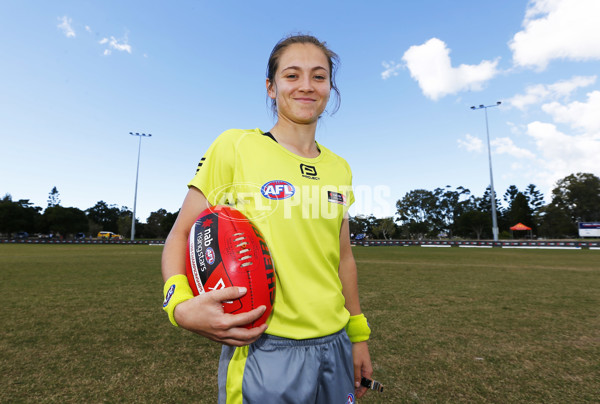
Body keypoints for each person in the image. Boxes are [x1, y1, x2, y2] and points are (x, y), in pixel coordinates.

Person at [161, 34, 374, 403]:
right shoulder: (236, 146)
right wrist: (178, 306)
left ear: (330, 88)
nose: (306, 86)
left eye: (319, 76)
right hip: (264, 346)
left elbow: (343, 257)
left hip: (335, 342)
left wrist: (358, 336)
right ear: (271, 88)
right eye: (292, 75)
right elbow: (181, 234)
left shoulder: (340, 167)